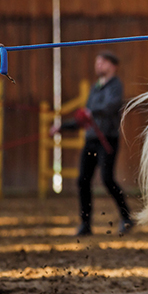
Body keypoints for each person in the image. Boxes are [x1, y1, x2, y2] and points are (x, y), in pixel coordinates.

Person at [51, 51, 133, 236]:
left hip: (107, 140)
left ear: (113, 66)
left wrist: (91, 113)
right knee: (83, 181)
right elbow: (86, 116)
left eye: (102, 62)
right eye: (98, 62)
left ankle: (127, 217)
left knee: (107, 179)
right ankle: (85, 224)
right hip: (90, 140)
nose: (98, 65)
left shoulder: (115, 86)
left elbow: (110, 107)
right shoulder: (94, 88)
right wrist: (62, 127)